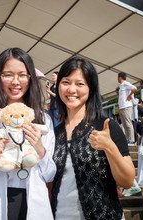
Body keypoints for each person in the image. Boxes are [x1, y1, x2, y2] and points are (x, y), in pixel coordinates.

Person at [0, 48, 56, 220]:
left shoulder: (43, 120)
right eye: (8, 75)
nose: (15, 81)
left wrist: (40, 151)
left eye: (22, 75)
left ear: (30, 78)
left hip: (34, 201)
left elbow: (50, 174)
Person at [51, 56, 135, 220]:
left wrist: (109, 147)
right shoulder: (53, 133)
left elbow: (127, 181)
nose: (71, 89)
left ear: (91, 88)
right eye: (66, 82)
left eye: (80, 84)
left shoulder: (106, 125)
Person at [117, 71, 137, 144]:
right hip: (122, 107)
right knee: (124, 125)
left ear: (120, 77)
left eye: (118, 77)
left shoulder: (125, 83)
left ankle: (131, 139)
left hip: (126, 106)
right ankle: (127, 139)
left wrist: (130, 95)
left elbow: (134, 88)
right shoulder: (122, 85)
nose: (117, 79)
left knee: (128, 124)